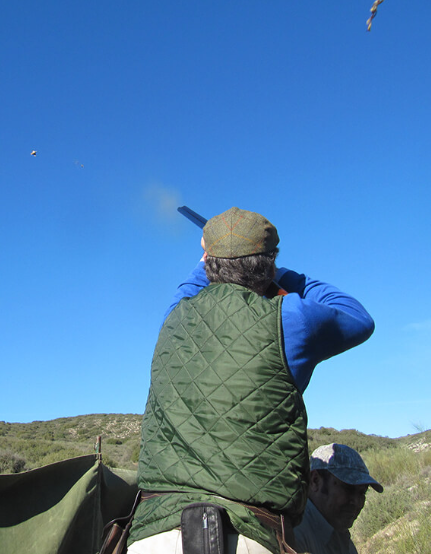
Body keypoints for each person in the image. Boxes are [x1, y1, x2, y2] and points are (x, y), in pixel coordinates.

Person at [127, 207, 375, 554]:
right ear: (268, 262)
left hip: (151, 537)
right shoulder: (289, 318)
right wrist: (283, 275)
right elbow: (357, 317)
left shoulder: (173, 318)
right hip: (245, 536)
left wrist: (211, 256)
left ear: (209, 260)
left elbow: (195, 280)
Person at [294, 443, 384, 554]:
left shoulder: (340, 538)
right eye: (348, 488)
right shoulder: (293, 533)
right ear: (315, 481)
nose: (357, 503)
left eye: (362, 492)